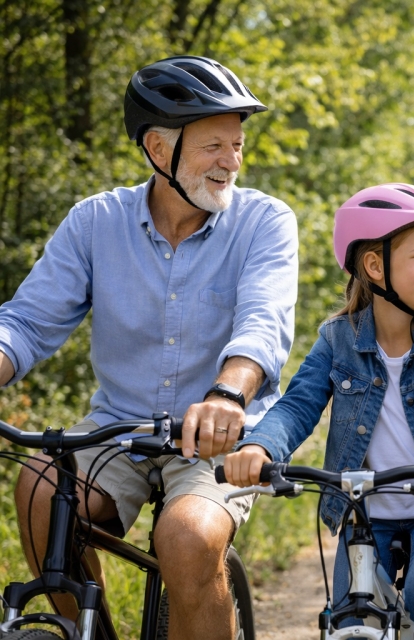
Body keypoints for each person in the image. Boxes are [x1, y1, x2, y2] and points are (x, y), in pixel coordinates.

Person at [4, 55, 298, 639]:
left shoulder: (264, 221)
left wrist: (227, 395)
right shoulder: (94, 223)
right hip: (119, 429)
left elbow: (263, 323)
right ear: (160, 151)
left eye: (237, 145)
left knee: (187, 538)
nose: (231, 161)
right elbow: (27, 322)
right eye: (214, 145)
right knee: (39, 489)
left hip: (219, 436)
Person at [224, 182, 414, 640]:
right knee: (351, 612)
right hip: (365, 510)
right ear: (375, 265)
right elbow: (297, 405)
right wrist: (259, 445)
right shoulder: (338, 339)